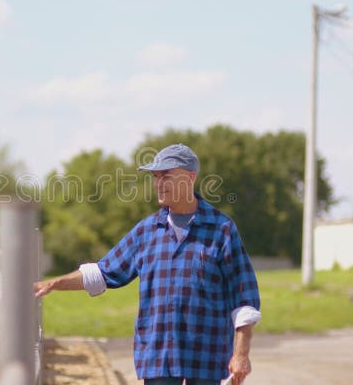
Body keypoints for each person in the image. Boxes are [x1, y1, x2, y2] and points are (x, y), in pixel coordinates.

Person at [34, 143, 261, 385]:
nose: (158, 184)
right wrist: (54, 283)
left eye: (166, 176)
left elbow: (244, 299)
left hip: (206, 360)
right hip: (157, 359)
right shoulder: (146, 231)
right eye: (155, 177)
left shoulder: (222, 230)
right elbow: (102, 272)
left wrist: (241, 355)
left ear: (190, 178)